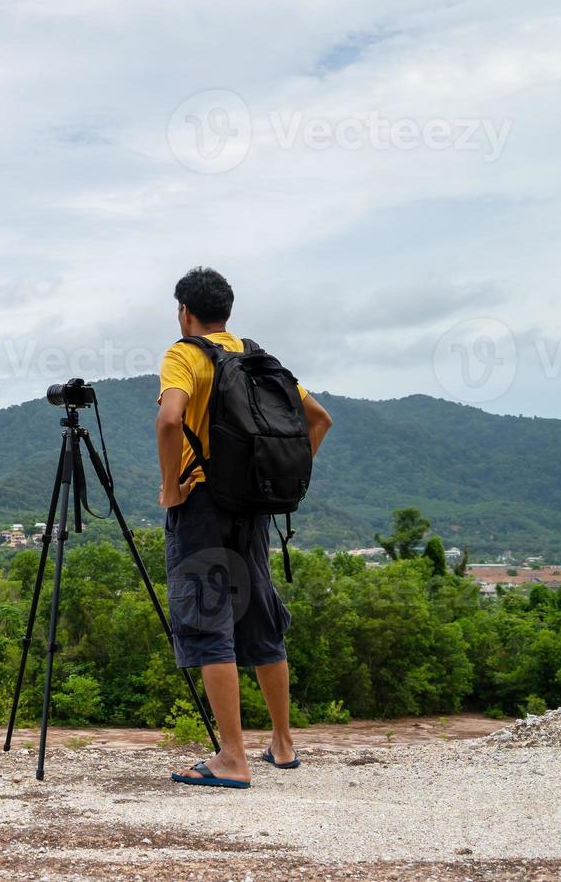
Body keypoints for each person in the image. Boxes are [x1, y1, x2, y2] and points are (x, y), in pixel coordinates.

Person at [155, 266, 332, 789]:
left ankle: (231, 757)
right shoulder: (255, 356)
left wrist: (170, 487)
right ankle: (282, 743)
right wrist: (279, 481)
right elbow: (319, 419)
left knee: (210, 619)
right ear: (227, 312)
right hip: (253, 504)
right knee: (259, 615)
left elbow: (170, 420)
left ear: (184, 312)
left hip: (204, 501)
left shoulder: (184, 354)